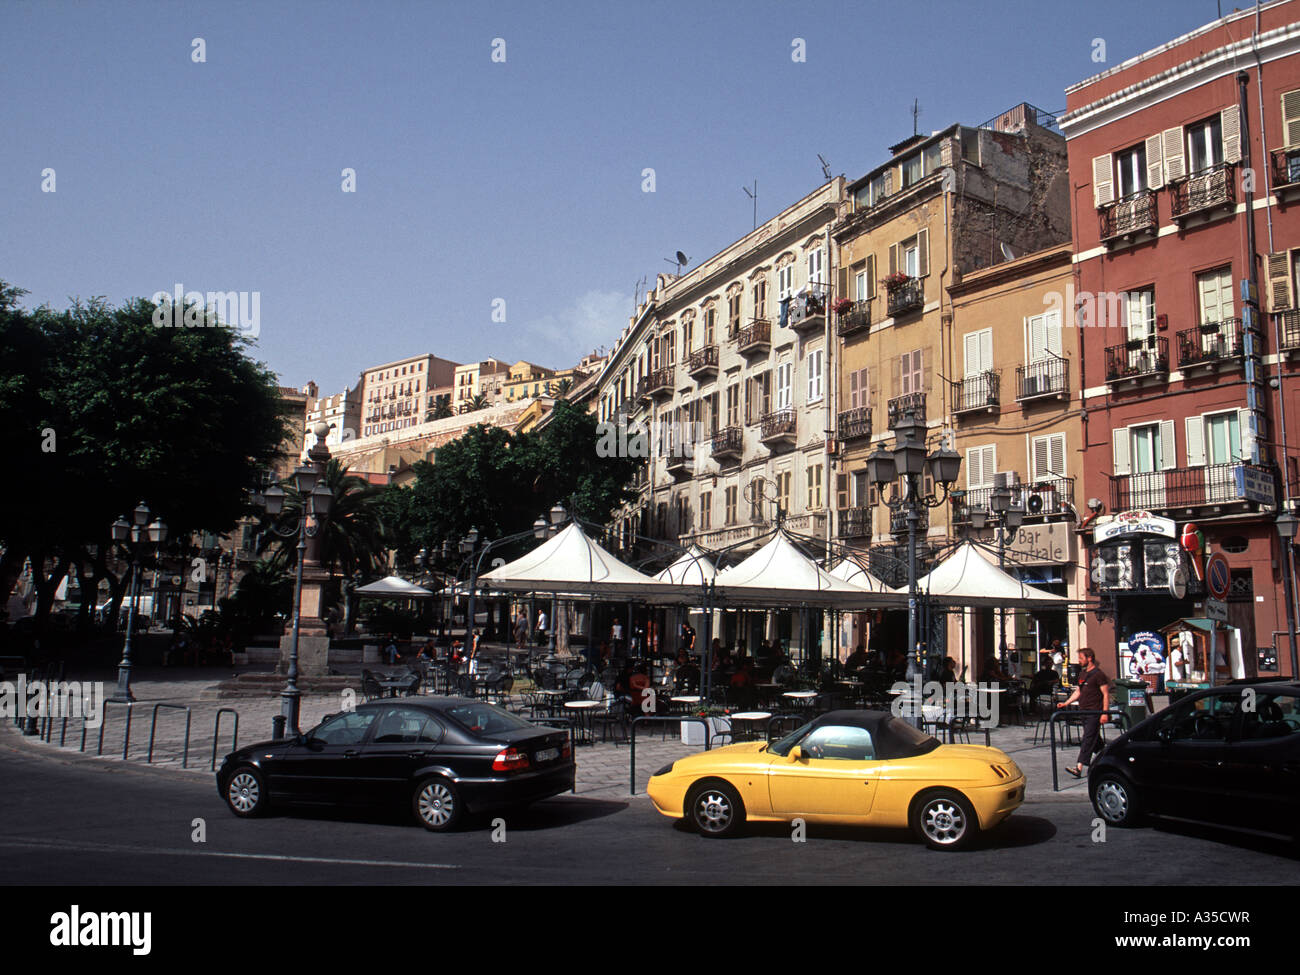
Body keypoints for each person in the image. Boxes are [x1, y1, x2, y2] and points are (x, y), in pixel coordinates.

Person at [1058, 648, 1111, 778]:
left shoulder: (1099, 675)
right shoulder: (1082, 674)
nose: (1079, 661)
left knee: (1087, 738)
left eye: (1081, 658)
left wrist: (1105, 713)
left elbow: (1105, 694)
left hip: (1095, 711)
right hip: (1084, 711)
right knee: (1095, 740)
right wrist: (1066, 703)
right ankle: (1108, 757)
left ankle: (1079, 767)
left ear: (1089, 658)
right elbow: (1078, 692)